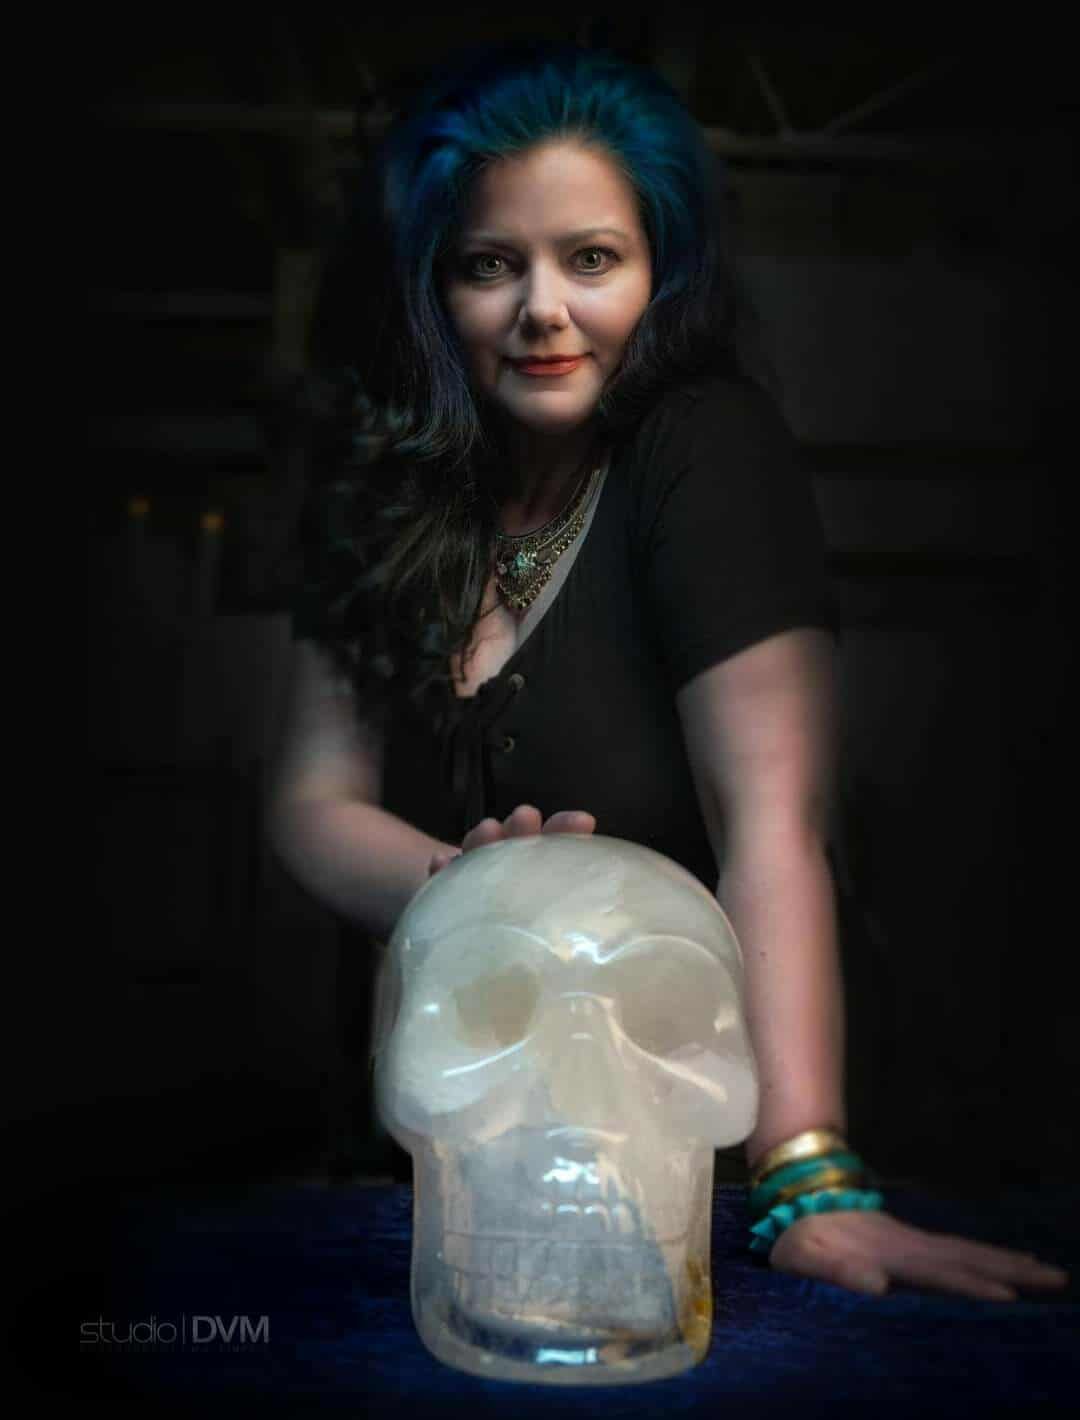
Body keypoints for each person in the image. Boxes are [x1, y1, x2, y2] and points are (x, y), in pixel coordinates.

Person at [267, 41, 1067, 1303]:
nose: (543, 308)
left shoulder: (704, 449)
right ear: (432, 288)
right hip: (427, 1164)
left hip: (673, 1175)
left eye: (591, 259)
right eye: (491, 264)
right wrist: (476, 890)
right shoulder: (379, 486)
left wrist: (807, 1174)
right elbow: (310, 803)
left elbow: (773, 831)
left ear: (660, 272)